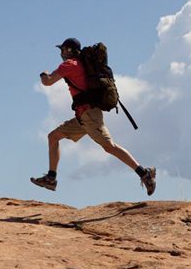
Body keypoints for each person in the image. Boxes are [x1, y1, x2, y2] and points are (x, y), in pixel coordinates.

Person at [31, 38, 156, 196]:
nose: (61, 53)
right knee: (53, 137)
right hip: (83, 117)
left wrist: (43, 74)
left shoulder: (69, 65)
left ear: (69, 51)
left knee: (109, 147)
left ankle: (144, 174)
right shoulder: (81, 64)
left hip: (89, 116)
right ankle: (51, 178)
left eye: (63, 50)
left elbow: (47, 82)